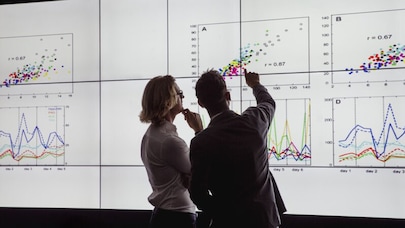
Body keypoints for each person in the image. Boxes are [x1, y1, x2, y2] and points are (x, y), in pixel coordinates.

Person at [188, 69, 286, 228]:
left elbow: (197, 193)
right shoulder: (254, 121)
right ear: (228, 96)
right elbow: (268, 102)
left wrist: (224, 214)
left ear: (201, 103)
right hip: (264, 221)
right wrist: (255, 85)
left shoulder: (201, 141)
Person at [139, 75, 203, 228]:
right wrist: (199, 131)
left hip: (166, 214)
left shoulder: (151, 135)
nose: (183, 97)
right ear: (169, 100)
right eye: (180, 94)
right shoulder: (169, 141)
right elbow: (201, 169)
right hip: (177, 218)